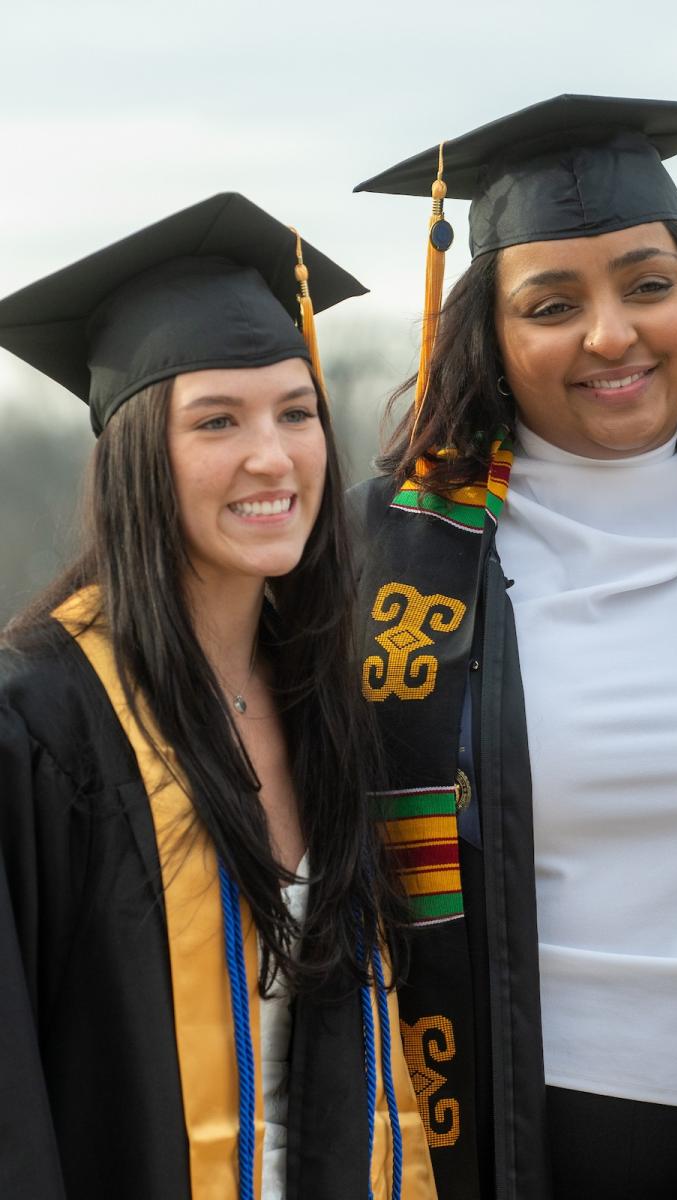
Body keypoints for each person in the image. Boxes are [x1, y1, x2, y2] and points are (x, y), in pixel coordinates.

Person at [350, 94, 677, 1200]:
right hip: (491, 1131)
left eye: (647, 284)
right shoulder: (374, 564)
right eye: (552, 303)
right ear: (490, 334)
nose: (611, 335)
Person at [0, 194, 436, 1200]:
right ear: (135, 455)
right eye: (217, 422)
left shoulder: (331, 706)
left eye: (296, 413)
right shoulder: (40, 727)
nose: (272, 457)